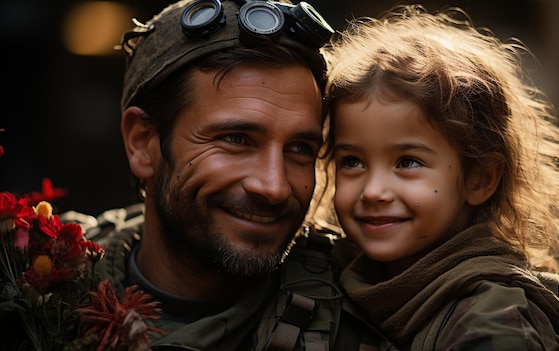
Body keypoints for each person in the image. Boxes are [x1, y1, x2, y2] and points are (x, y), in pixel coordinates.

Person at [81, 0, 392, 350]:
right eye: (236, 140)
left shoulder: (373, 315)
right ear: (142, 143)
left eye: (300, 148)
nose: (273, 186)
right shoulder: (36, 277)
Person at [319, 4, 559, 350]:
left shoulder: (494, 318)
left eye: (407, 162)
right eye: (352, 162)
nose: (373, 191)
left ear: (479, 179)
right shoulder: (360, 280)